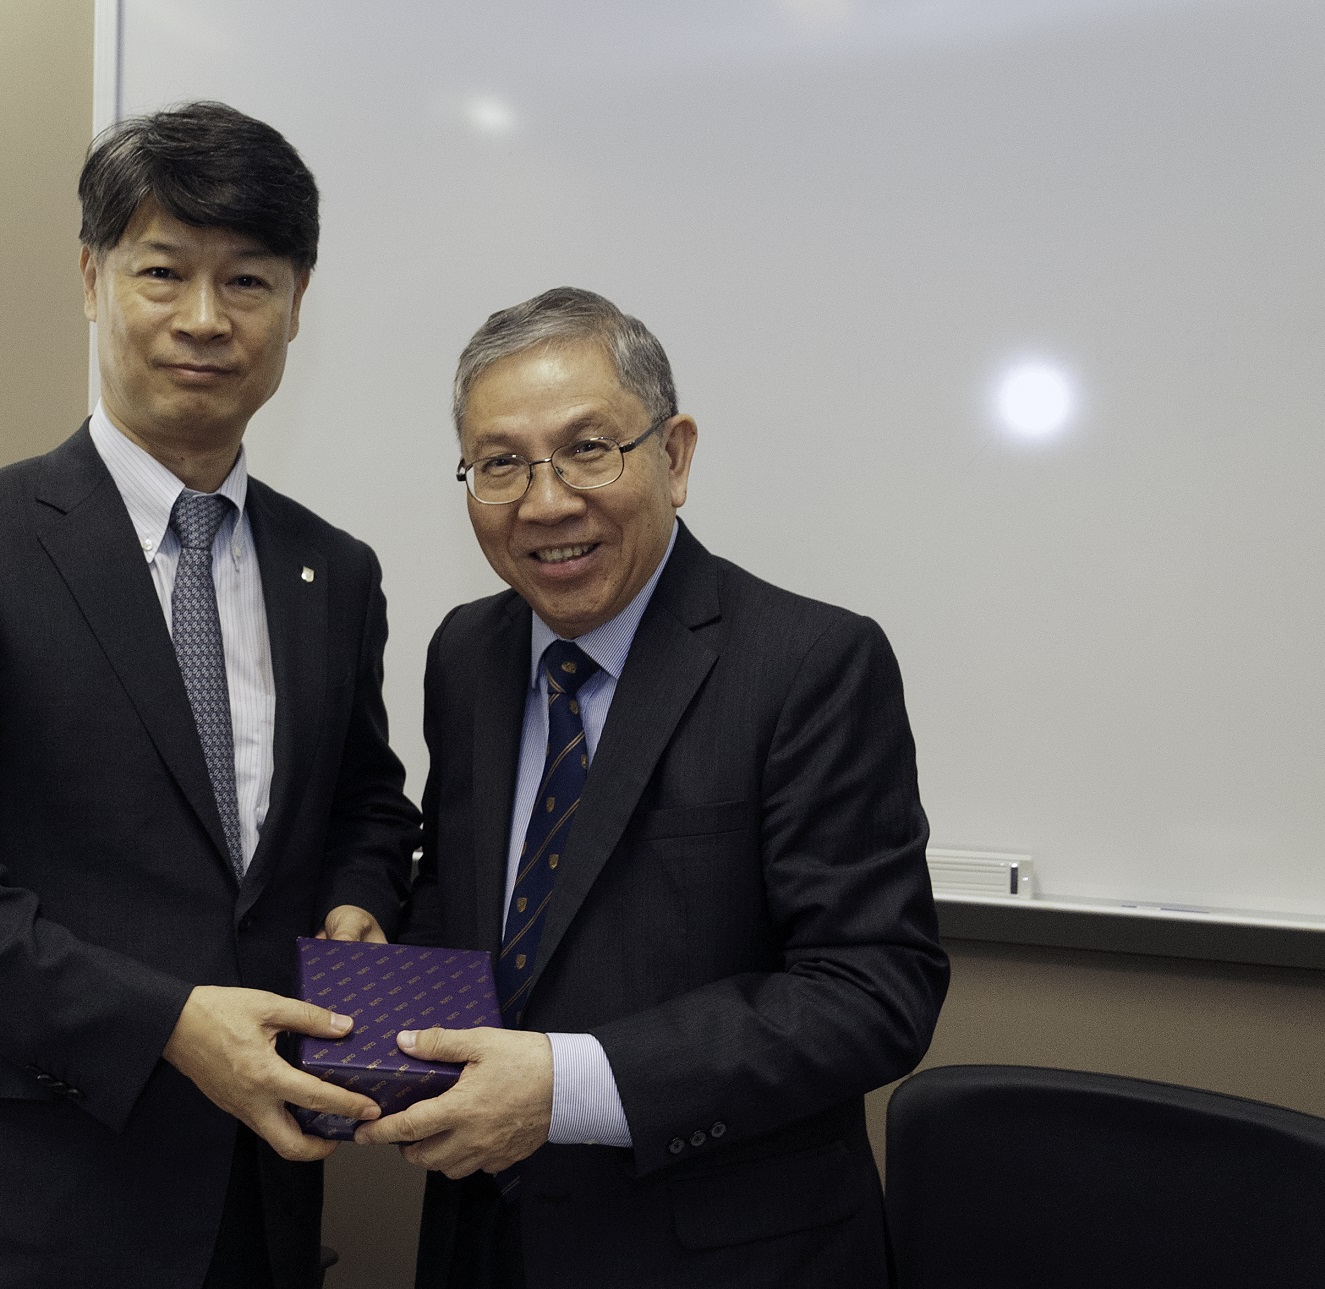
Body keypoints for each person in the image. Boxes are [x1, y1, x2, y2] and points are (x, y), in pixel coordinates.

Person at [0, 101, 419, 1289]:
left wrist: (359, 903)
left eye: (247, 280)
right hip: (18, 1199)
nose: (204, 319)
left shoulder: (335, 570)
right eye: (165, 271)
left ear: (298, 302)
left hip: (255, 1201)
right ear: (94, 278)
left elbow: (366, 801)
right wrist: (167, 1022)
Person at [355, 288, 949, 1287]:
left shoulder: (810, 661)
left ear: (673, 456)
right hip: (484, 1240)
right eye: (499, 462)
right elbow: (464, 907)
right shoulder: (467, 651)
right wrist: (374, 1001)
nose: (544, 501)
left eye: (589, 447)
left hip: (719, 1256)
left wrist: (565, 1086)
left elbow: (870, 989)